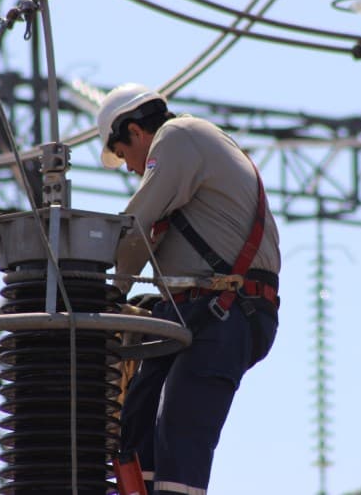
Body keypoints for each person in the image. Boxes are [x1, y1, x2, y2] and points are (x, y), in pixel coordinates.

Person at [97, 83, 281, 495]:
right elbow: (146, 241)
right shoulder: (190, 157)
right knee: (137, 423)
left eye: (124, 154)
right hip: (200, 310)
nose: (129, 169)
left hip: (227, 310)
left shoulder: (178, 137)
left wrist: (102, 293)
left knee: (181, 431)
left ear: (135, 131)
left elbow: (134, 230)